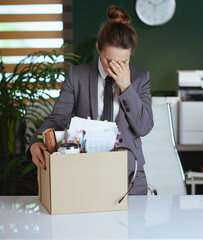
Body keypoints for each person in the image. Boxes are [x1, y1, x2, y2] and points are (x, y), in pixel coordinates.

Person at [28, 6, 153, 195]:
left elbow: (143, 128)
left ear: (131, 54)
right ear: (98, 49)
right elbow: (58, 118)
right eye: (109, 60)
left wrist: (127, 88)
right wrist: (36, 141)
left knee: (135, 224)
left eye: (123, 62)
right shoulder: (76, 76)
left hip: (129, 172)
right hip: (86, 168)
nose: (115, 67)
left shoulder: (140, 78)